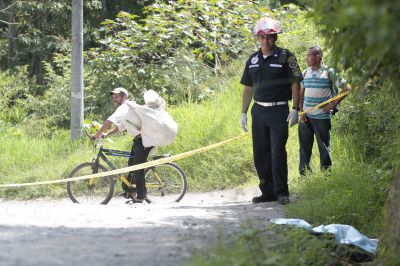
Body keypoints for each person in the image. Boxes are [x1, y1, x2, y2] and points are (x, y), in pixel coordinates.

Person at [240, 17, 303, 205]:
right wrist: (243, 112)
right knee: (260, 154)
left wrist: (295, 109)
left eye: (269, 37)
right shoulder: (252, 59)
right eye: (262, 37)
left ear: (275, 38)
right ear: (258, 39)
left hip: (279, 111)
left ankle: (282, 192)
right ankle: (266, 192)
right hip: (258, 112)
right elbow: (248, 88)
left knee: (277, 152)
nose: (266, 41)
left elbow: (296, 83)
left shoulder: (286, 56)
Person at [91, 87, 153, 203]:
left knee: (137, 168)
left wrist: (96, 134)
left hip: (144, 140)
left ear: (124, 97)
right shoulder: (125, 110)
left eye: (117, 96)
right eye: (113, 97)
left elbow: (109, 122)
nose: (114, 99)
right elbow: (120, 127)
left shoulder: (124, 107)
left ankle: (141, 197)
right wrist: (105, 135)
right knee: (131, 165)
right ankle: (131, 192)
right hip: (139, 140)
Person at [298, 46, 351, 175]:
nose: (306, 58)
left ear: (317, 57)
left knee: (324, 147)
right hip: (306, 117)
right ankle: (304, 174)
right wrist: (301, 112)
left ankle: (326, 174)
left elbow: (347, 88)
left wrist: (332, 104)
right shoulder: (305, 72)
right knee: (304, 148)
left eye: (309, 55)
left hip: (322, 117)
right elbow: (301, 93)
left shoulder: (329, 72)